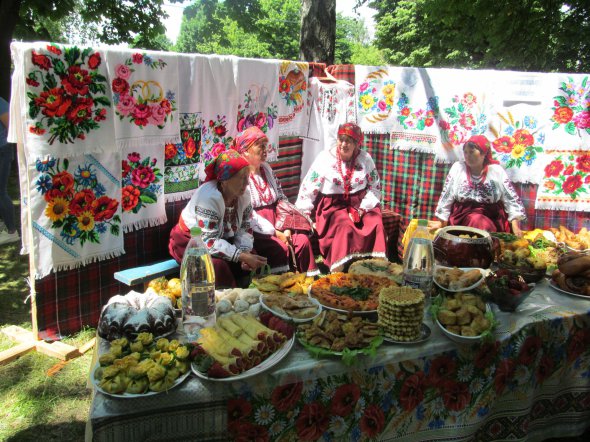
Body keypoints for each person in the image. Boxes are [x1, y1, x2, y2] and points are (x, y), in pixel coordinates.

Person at [169, 149, 267, 288]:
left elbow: (245, 228)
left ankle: (249, 298)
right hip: (191, 241)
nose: (246, 183)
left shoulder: (243, 195)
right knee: (217, 267)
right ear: (225, 181)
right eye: (241, 178)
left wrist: (245, 252)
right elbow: (208, 242)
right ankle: (224, 305)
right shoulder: (209, 198)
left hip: (220, 238)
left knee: (252, 258)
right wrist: (241, 256)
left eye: (247, 177)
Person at [296, 122, 387, 272]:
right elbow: (309, 186)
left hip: (361, 204)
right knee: (344, 225)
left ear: (357, 144)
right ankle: (340, 270)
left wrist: (363, 209)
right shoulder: (325, 158)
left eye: (349, 141)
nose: (344, 144)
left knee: (376, 222)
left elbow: (375, 188)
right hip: (333, 206)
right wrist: (304, 213)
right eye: (341, 139)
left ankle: (376, 268)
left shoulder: (365, 159)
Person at [234, 126, 319, 276]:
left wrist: (285, 227)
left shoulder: (267, 169)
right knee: (279, 247)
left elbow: (281, 198)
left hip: (278, 222)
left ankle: (305, 284)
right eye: (260, 146)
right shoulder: (240, 176)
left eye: (265, 146)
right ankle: (279, 288)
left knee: (302, 241)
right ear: (246, 150)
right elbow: (247, 214)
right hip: (256, 230)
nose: (265, 150)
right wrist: (276, 233)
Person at [433, 135, 526, 235]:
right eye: (466, 152)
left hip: (492, 217)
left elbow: (510, 199)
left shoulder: (496, 171)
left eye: (472, 152)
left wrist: (515, 226)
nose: (468, 156)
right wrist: (441, 221)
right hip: (462, 217)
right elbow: (447, 195)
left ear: (484, 153)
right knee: (476, 220)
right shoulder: (458, 168)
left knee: (480, 222)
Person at [0, 96, 19, 245]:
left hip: (2, 151)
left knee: (0, 192)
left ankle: (12, 231)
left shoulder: (0, 102)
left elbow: (10, 126)